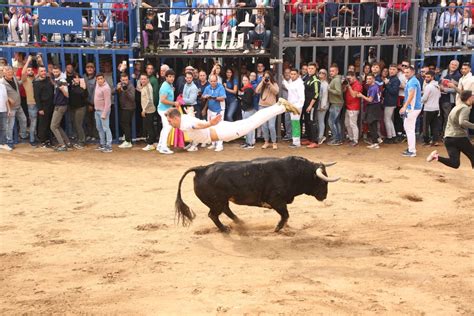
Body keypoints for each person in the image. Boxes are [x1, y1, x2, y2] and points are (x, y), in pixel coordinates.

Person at [166, 98, 300, 146]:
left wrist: (209, 124)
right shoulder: (184, 118)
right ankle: (279, 106)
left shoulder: (184, 123)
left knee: (253, 122)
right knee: (252, 121)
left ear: (176, 118)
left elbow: (197, 125)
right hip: (220, 130)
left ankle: (281, 107)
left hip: (221, 132)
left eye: (169, 120)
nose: (169, 123)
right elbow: (194, 122)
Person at [427, 90, 474, 169]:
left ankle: (436, 157)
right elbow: (462, 122)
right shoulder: (465, 108)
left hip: (448, 138)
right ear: (470, 98)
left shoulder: (457, 106)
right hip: (459, 137)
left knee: (454, 163)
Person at [0, 66, 27, 148]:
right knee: (10, 126)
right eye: (7, 71)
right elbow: (2, 94)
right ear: (4, 73)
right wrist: (8, 99)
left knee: (24, 120)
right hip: (10, 107)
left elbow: (19, 83)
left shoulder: (14, 78)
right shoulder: (2, 82)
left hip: (18, 105)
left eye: (10, 71)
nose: (9, 73)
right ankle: (9, 141)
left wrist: (23, 77)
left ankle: (22, 135)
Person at [399, 65, 422, 157]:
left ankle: (412, 151)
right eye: (405, 72)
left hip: (412, 108)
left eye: (407, 72)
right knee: (408, 128)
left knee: (409, 129)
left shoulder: (412, 81)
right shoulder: (412, 80)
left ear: (412, 72)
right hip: (413, 108)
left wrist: (405, 107)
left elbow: (411, 95)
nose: (405, 74)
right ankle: (410, 148)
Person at [202, 74, 227, 152]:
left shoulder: (220, 87)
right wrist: (205, 96)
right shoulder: (207, 87)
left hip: (219, 110)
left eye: (214, 81)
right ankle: (213, 144)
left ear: (217, 81)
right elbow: (203, 96)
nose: (213, 83)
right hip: (210, 109)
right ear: (209, 81)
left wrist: (213, 97)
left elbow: (223, 98)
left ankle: (220, 145)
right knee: (211, 127)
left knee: (219, 127)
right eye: (211, 81)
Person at [157, 69, 180, 154]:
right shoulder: (165, 86)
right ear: (166, 77)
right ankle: (163, 147)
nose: (172, 78)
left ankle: (160, 145)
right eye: (169, 76)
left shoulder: (168, 85)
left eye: (173, 76)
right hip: (164, 110)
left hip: (165, 109)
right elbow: (162, 100)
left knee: (165, 128)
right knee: (167, 127)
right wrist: (174, 103)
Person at [256, 70, 279, 150]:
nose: (266, 78)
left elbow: (276, 92)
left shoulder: (274, 84)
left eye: (267, 77)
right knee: (264, 126)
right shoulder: (262, 84)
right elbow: (257, 91)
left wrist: (270, 84)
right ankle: (266, 142)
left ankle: (274, 142)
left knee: (271, 126)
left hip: (272, 107)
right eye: (265, 77)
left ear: (270, 77)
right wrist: (262, 82)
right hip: (262, 107)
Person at [358, 73, 382, 149]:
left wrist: (361, 96)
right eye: (367, 79)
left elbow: (370, 99)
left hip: (373, 107)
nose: (368, 80)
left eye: (370, 79)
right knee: (372, 124)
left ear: (373, 79)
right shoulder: (374, 86)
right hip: (374, 106)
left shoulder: (373, 88)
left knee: (372, 125)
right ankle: (377, 138)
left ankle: (375, 143)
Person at [282, 68, 305, 148]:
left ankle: (296, 143)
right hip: (292, 106)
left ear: (298, 75)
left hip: (296, 107)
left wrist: (297, 107)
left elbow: (302, 98)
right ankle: (295, 141)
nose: (292, 75)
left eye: (294, 74)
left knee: (295, 124)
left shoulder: (300, 84)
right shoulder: (292, 82)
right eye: (291, 74)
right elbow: (289, 88)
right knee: (294, 124)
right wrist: (284, 80)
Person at [49, 66, 70, 152]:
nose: (55, 73)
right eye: (54, 71)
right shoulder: (58, 80)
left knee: (53, 126)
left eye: (57, 71)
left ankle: (62, 145)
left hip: (60, 106)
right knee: (57, 126)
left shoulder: (62, 81)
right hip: (59, 105)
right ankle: (67, 142)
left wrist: (62, 90)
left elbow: (67, 95)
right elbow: (54, 83)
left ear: (60, 71)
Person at [33, 66, 55, 148]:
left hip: (51, 105)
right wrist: (40, 108)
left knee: (50, 123)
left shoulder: (49, 80)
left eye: (44, 71)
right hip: (43, 106)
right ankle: (43, 141)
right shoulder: (36, 83)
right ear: (38, 73)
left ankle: (50, 140)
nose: (43, 72)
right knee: (43, 124)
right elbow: (36, 97)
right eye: (41, 71)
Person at [21, 55, 40, 146]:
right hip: (31, 103)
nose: (30, 71)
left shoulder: (35, 78)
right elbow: (23, 72)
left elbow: (41, 71)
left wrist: (40, 60)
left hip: (40, 103)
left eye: (31, 70)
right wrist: (28, 61)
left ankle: (35, 137)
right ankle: (32, 140)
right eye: (29, 70)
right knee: (33, 122)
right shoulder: (25, 80)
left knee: (37, 122)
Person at [439, 59, 461, 135]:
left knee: (447, 117)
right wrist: (440, 85)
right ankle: (440, 133)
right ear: (449, 64)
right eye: (452, 64)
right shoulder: (444, 72)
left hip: (449, 99)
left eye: (455, 65)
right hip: (440, 98)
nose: (453, 66)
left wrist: (444, 89)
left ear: (457, 67)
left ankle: (446, 134)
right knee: (440, 117)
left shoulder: (458, 76)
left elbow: (457, 89)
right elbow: (440, 81)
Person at [301, 62, 320, 148]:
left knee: (312, 122)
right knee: (307, 121)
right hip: (305, 104)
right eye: (309, 68)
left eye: (312, 68)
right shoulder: (307, 78)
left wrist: (310, 105)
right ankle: (309, 139)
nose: (310, 70)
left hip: (311, 105)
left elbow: (316, 94)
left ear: (315, 69)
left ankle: (314, 141)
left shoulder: (315, 80)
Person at [68, 73, 88, 149]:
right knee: (75, 124)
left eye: (77, 78)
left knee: (78, 124)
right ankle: (79, 139)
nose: (76, 79)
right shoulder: (71, 87)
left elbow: (85, 95)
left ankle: (82, 141)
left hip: (81, 108)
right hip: (73, 108)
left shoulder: (82, 86)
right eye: (74, 78)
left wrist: (83, 87)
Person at [421, 71, 441, 147]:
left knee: (426, 126)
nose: (426, 78)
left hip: (428, 109)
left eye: (428, 77)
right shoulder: (437, 86)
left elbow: (424, 98)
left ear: (432, 77)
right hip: (436, 108)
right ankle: (435, 141)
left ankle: (427, 141)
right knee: (434, 126)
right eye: (425, 77)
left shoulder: (428, 86)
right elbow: (439, 96)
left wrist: (419, 99)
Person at [94, 73, 113, 153]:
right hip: (97, 110)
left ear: (104, 79)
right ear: (96, 80)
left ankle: (109, 146)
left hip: (103, 111)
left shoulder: (106, 88)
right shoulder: (97, 85)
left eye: (101, 78)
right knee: (99, 128)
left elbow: (108, 103)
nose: (100, 80)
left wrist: (104, 113)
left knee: (106, 128)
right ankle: (103, 144)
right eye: (98, 79)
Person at [383, 64, 401, 144]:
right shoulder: (390, 78)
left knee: (387, 119)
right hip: (388, 101)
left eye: (393, 69)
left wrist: (387, 84)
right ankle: (393, 136)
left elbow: (394, 91)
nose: (391, 71)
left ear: (397, 71)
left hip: (390, 102)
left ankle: (390, 137)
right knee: (389, 119)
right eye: (390, 69)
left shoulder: (396, 80)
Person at [117, 72, 136, 149]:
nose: (125, 81)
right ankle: (126, 136)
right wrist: (117, 88)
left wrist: (125, 90)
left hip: (129, 108)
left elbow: (132, 98)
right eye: (123, 80)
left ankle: (128, 141)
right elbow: (112, 92)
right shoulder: (120, 84)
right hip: (123, 107)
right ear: (120, 80)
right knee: (123, 123)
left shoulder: (131, 86)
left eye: (126, 80)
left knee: (126, 124)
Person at [344, 71, 363, 147]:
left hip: (354, 108)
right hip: (348, 106)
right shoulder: (350, 84)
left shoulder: (357, 85)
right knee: (347, 123)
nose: (349, 80)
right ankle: (351, 138)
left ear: (354, 76)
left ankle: (355, 140)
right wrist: (345, 85)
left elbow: (354, 95)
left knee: (353, 124)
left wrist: (349, 86)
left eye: (350, 78)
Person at [139, 74, 157, 151]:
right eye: (141, 79)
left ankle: (150, 144)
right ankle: (152, 143)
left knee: (149, 127)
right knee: (149, 127)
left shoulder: (148, 87)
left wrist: (144, 110)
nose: (143, 80)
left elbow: (149, 100)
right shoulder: (144, 87)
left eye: (144, 79)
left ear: (148, 80)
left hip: (149, 110)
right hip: (148, 110)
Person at [327, 65, 343, 146]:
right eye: (330, 71)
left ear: (337, 71)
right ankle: (339, 138)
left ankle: (336, 139)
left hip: (336, 103)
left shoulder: (336, 80)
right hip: (337, 103)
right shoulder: (336, 79)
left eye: (333, 71)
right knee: (336, 122)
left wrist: (329, 89)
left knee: (331, 121)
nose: (331, 72)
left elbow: (338, 92)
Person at [238, 74, 256, 149]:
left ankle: (250, 143)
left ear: (249, 81)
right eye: (243, 80)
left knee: (249, 127)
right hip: (246, 110)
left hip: (249, 110)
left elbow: (248, 101)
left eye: (246, 80)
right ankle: (247, 142)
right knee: (247, 127)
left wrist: (241, 97)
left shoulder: (249, 89)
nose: (244, 82)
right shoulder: (245, 89)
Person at [316, 69, 329, 145]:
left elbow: (325, 96)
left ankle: (321, 137)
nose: (321, 74)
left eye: (323, 73)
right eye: (320, 72)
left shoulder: (325, 84)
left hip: (322, 106)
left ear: (325, 75)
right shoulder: (319, 82)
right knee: (318, 121)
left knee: (321, 121)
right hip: (318, 105)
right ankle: (319, 136)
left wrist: (322, 106)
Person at [0, 81, 11, 151]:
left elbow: (6, 99)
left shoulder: (3, 86)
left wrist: (9, 109)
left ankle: (2, 143)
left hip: (3, 110)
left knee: (4, 128)